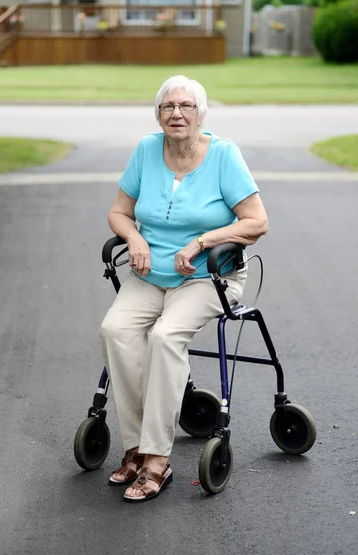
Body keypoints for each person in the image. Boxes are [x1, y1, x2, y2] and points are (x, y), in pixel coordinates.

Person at [100, 75, 268, 503]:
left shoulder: (224, 156)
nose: (176, 113)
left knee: (164, 336)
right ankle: (135, 446)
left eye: (186, 106)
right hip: (151, 274)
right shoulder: (146, 150)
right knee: (116, 330)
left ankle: (157, 457)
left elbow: (257, 222)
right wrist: (135, 239)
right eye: (168, 107)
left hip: (208, 276)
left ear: (201, 114)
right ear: (158, 115)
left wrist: (202, 241)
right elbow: (119, 212)